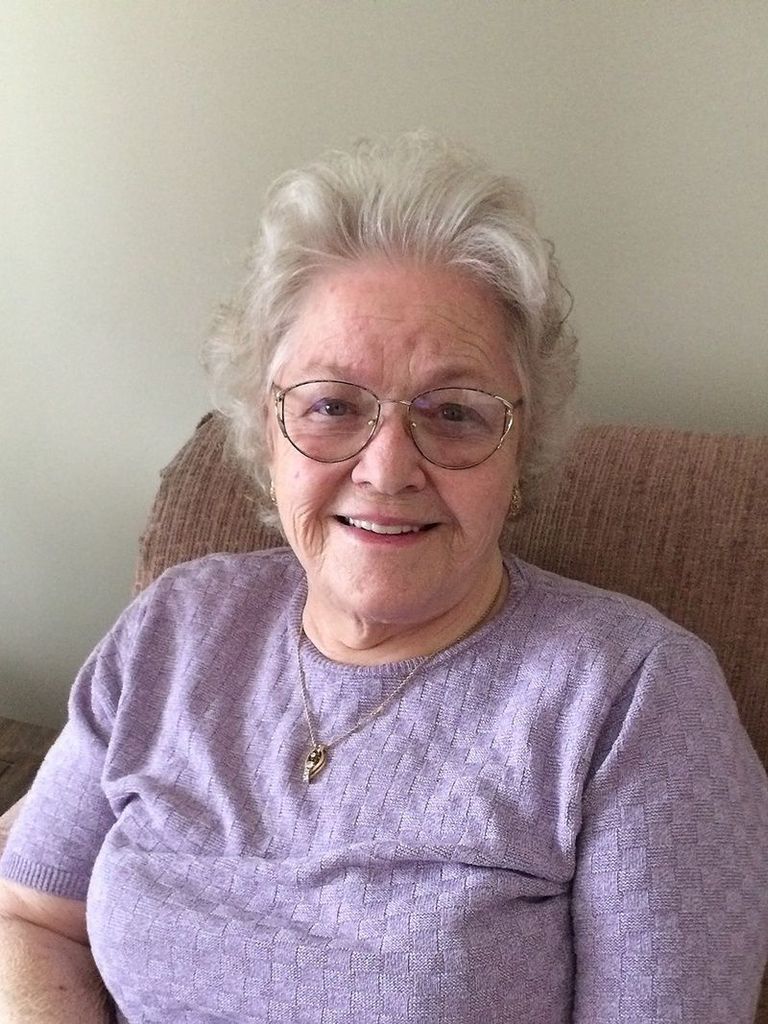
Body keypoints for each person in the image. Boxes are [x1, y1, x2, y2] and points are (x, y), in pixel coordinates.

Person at [0, 133, 766, 1024]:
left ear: (520, 452)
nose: (389, 467)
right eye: (332, 404)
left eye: (455, 413)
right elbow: (30, 915)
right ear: (266, 433)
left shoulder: (635, 695)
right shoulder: (176, 625)